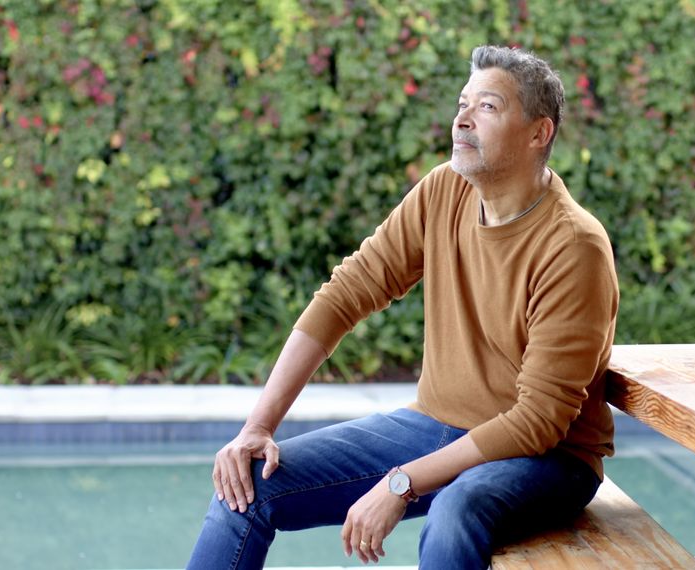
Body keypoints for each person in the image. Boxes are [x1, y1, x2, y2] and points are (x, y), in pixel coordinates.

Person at [187, 45, 619, 569]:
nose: (461, 119)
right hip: (438, 423)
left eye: (487, 107)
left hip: (548, 460)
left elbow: (537, 422)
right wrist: (257, 428)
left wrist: (402, 482)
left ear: (538, 133)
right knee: (248, 485)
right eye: (463, 103)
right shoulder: (444, 191)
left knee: (457, 508)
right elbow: (345, 295)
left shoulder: (574, 246)